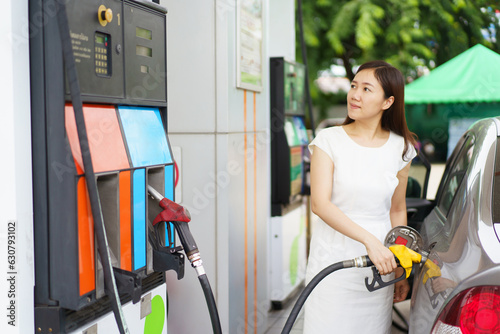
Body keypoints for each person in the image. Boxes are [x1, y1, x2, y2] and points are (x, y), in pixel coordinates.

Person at [303, 60, 417, 333]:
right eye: (354, 86)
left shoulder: (401, 147)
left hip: (379, 267)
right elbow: (320, 204)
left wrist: (401, 266)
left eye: (367, 89)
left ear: (387, 102)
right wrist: (369, 241)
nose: (354, 94)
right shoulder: (328, 140)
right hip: (332, 259)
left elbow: (397, 210)